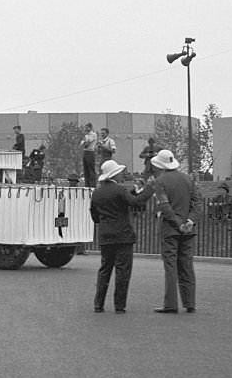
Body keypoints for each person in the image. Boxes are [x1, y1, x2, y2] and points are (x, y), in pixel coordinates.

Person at [90, 159, 154, 313]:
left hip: (105, 235)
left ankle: (98, 304)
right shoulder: (119, 190)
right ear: (115, 174)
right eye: (120, 173)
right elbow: (136, 202)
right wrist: (150, 189)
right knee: (122, 271)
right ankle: (119, 305)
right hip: (123, 236)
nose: (122, 175)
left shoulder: (97, 192)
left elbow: (94, 216)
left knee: (105, 269)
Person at [150, 148, 203, 314]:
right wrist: (189, 221)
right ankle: (190, 302)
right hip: (188, 229)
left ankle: (171, 304)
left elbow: (165, 206)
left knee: (171, 266)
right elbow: (198, 203)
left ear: (160, 165)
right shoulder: (188, 179)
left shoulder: (160, 181)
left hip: (170, 229)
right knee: (187, 265)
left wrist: (177, 223)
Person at [81, 123, 97, 187]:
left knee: (91, 170)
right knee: (86, 170)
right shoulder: (86, 135)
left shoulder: (93, 134)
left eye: (87, 127)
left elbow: (87, 144)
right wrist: (84, 142)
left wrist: (85, 142)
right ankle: (87, 185)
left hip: (90, 152)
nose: (85, 129)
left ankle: (92, 185)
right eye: (85, 127)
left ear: (90, 127)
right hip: (85, 152)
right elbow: (82, 144)